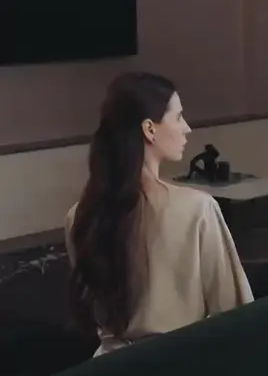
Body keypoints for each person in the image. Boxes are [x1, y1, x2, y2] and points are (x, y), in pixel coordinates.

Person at [67, 72, 253, 355]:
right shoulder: (197, 209)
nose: (187, 128)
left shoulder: (81, 217)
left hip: (106, 372)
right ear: (149, 129)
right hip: (175, 367)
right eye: (178, 117)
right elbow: (236, 316)